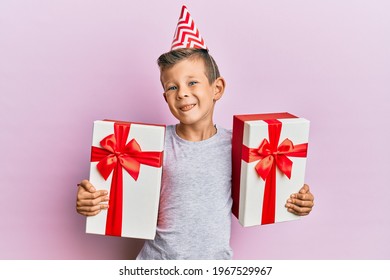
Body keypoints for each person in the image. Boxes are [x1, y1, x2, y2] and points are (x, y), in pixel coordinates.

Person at [76, 6, 314, 260]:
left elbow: (266, 193)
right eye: (172, 87)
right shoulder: (150, 145)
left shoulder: (240, 147)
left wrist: (298, 202)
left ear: (217, 88)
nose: (182, 93)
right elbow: (116, 194)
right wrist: (88, 200)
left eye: (192, 82)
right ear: (165, 97)